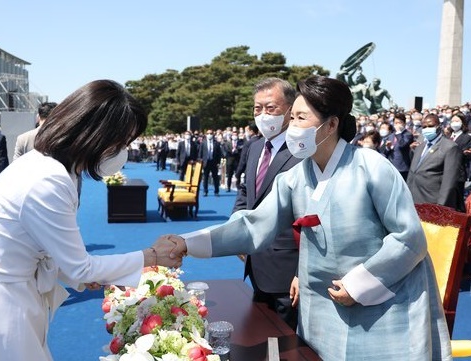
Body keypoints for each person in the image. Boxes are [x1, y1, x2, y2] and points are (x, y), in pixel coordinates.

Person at [164, 76, 451, 360]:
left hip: (382, 307)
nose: (293, 127)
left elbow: (409, 238)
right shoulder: (296, 177)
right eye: (293, 118)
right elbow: (254, 226)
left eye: (301, 118)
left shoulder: (371, 167)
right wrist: (188, 243)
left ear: (332, 124)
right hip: (322, 310)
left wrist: (358, 284)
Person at [0, 80, 182, 361]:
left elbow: (54, 252)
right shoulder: (48, 179)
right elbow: (81, 268)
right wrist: (153, 256)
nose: (122, 151)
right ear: (96, 135)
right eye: (120, 142)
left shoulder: (51, 166)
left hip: (5, 294)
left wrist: (81, 272)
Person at [233, 77, 300, 330]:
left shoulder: (302, 151)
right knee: (260, 334)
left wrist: (303, 272)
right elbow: (245, 191)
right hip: (256, 264)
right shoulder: (254, 146)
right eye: (257, 108)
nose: (263, 115)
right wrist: (237, 230)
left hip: (287, 271)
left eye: (270, 108)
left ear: (290, 109)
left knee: (288, 344)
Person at [407, 113, 462, 211]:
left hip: (433, 204)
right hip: (413, 201)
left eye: (430, 126)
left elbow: (449, 182)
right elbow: (413, 173)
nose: (427, 129)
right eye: (424, 127)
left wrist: (440, 206)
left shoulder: (450, 147)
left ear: (439, 127)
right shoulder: (420, 147)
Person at [379, 114, 413, 180]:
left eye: (400, 123)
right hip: (392, 166)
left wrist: (399, 133)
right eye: (396, 123)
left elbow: (402, 145)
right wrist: (388, 147)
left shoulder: (408, 134)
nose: (397, 125)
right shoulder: (391, 135)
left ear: (404, 123)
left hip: (402, 167)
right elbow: (386, 152)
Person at [235, 122, 260, 188]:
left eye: (247, 131)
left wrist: (238, 173)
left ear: (251, 131)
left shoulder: (248, 143)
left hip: (250, 172)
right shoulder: (263, 141)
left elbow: (243, 160)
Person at [198, 129, 223, 196]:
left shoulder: (216, 143)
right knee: (205, 177)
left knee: (215, 178)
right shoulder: (203, 143)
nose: (209, 135)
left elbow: (219, 154)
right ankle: (205, 191)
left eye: (211, 133)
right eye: (208, 133)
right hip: (206, 162)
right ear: (206, 134)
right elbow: (200, 153)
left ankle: (216, 191)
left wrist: (218, 162)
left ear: (213, 134)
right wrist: (200, 161)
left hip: (214, 162)